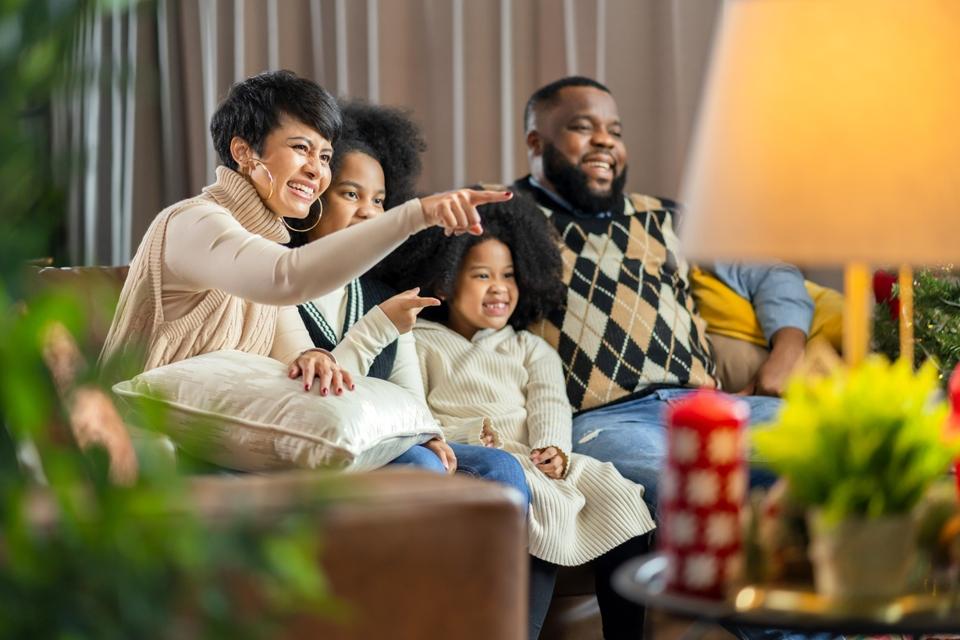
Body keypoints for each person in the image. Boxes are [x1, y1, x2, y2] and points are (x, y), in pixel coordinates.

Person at [512, 76, 837, 640]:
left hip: (709, 405)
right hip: (604, 420)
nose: (604, 144)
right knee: (692, 487)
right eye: (581, 128)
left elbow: (772, 272)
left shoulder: (666, 218)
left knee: (829, 451)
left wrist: (785, 354)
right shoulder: (506, 216)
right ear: (537, 143)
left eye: (613, 131)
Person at [100, 69, 511, 419]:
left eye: (325, 155)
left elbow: (297, 357)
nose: (316, 170)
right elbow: (286, 278)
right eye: (301, 149)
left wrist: (313, 359)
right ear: (243, 151)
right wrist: (417, 215)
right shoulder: (192, 222)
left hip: (218, 438)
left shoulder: (261, 243)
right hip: (145, 444)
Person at [380, 197, 651, 640]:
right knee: (536, 505)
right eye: (482, 275)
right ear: (446, 284)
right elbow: (412, 411)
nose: (499, 287)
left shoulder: (528, 348)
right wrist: (466, 434)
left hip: (538, 455)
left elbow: (549, 402)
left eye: (508, 276)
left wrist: (554, 448)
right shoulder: (421, 342)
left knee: (622, 496)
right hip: (470, 455)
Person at [287, 99, 530, 505]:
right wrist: (378, 327)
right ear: (315, 196)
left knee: (500, 467)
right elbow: (312, 408)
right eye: (351, 194)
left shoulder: (383, 295)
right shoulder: (281, 288)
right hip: (320, 449)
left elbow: (410, 399)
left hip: (388, 442)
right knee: (422, 465)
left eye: (380, 201)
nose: (369, 213)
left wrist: (431, 434)